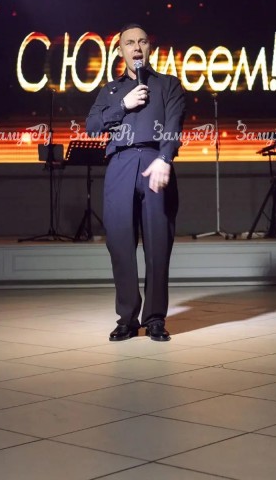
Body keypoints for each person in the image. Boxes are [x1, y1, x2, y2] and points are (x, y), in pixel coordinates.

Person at [86, 24, 185, 342]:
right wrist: (122, 106)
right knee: (120, 245)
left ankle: (155, 318)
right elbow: (91, 126)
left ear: (149, 48)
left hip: (156, 164)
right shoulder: (110, 90)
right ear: (120, 51)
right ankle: (127, 319)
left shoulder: (168, 84)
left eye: (142, 41)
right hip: (120, 165)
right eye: (129, 43)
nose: (136, 47)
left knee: (158, 246)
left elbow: (174, 125)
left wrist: (165, 158)